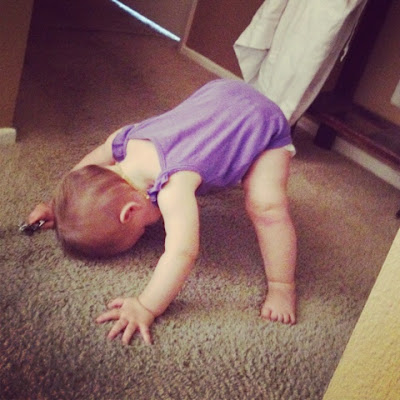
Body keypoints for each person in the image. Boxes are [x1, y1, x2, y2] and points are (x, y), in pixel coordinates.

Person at [28, 79, 297, 345]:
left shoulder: (172, 187)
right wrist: (54, 206)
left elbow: (182, 252)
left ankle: (282, 286)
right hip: (221, 91)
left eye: (143, 229)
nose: (149, 231)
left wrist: (146, 305)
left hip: (262, 125)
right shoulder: (124, 141)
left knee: (267, 207)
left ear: (130, 212)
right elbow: (87, 168)